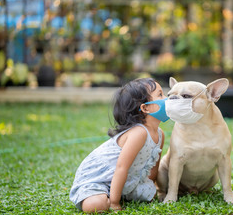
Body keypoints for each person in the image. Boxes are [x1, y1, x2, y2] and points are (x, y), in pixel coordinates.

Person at [69, 78, 169, 213]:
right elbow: (121, 168)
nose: (166, 98)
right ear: (145, 108)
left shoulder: (160, 134)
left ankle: (117, 193)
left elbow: (153, 168)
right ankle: (109, 196)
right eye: (160, 95)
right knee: (96, 205)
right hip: (99, 178)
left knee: (148, 196)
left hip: (127, 179)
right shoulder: (139, 133)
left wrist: (150, 189)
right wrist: (114, 203)